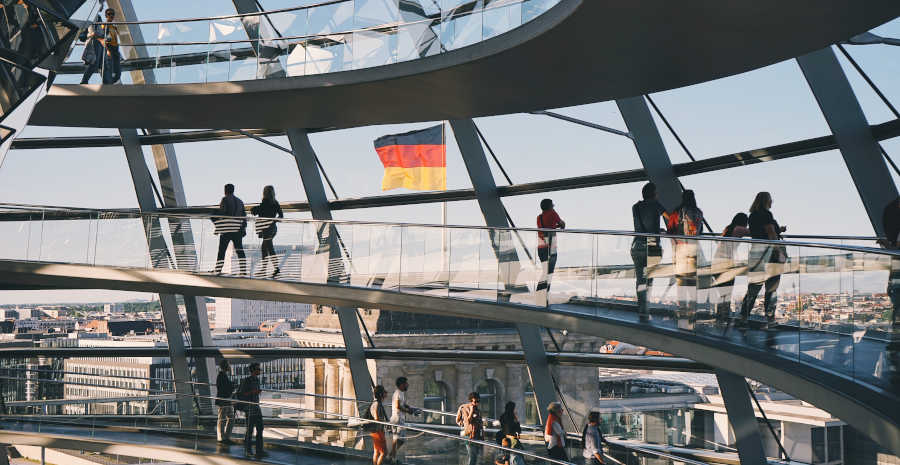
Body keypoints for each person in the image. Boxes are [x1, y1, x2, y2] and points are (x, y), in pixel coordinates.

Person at [739, 192, 787, 329]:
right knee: (771, 288)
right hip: (770, 253)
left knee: (753, 288)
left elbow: (760, 232)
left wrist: (779, 229)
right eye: (771, 199)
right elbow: (771, 233)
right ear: (766, 201)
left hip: (756, 252)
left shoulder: (752, 216)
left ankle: (743, 318)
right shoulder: (766, 214)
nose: (773, 201)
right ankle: (770, 320)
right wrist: (779, 252)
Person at [663, 190, 704, 330]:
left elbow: (670, 231)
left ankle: (682, 315)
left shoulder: (677, 212)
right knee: (692, 283)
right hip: (693, 250)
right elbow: (701, 232)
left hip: (680, 250)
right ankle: (692, 314)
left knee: (681, 283)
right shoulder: (698, 212)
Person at [631, 182, 665, 320]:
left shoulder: (635, 207)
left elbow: (643, 225)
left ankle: (642, 311)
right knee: (649, 281)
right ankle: (646, 312)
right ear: (654, 194)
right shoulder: (656, 204)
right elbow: (670, 217)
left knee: (640, 280)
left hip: (637, 245)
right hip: (652, 245)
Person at [711, 213, 750, 323]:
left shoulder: (728, 228)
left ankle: (720, 317)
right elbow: (755, 232)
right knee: (727, 293)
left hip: (716, 263)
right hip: (726, 265)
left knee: (723, 293)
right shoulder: (739, 229)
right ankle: (723, 318)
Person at [213, 184, 247, 275]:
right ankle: (243, 271)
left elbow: (222, 213)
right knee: (239, 250)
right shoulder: (240, 201)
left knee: (222, 250)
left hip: (227, 229)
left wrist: (214, 217)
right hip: (237, 229)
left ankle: (218, 269)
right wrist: (243, 228)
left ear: (225, 190)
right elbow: (244, 216)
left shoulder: (225, 199)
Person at [251, 185, 284, 279]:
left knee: (269, 248)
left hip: (266, 229)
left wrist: (254, 209)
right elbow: (281, 216)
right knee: (265, 248)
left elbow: (258, 211)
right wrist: (273, 220)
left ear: (264, 193)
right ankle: (265, 269)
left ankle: (276, 269)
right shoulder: (275, 202)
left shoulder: (265, 202)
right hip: (273, 228)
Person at [81, 7, 121, 84]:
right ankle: (84, 81)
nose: (111, 16)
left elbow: (103, 34)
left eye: (112, 14)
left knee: (103, 65)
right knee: (94, 63)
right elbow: (93, 32)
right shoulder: (94, 17)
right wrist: (103, 41)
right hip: (97, 42)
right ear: (106, 15)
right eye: (109, 14)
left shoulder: (100, 18)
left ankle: (107, 83)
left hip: (102, 43)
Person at [388, 376, 420, 463]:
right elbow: (398, 406)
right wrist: (409, 411)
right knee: (396, 439)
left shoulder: (401, 393)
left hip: (400, 419)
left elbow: (403, 404)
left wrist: (410, 408)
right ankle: (392, 458)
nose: (408, 385)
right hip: (397, 419)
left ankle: (391, 455)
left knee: (401, 440)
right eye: (406, 384)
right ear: (402, 385)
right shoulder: (397, 393)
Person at [537, 198, 566, 292]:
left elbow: (546, 227)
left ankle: (539, 294)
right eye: (552, 205)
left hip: (541, 248)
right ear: (550, 206)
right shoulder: (553, 213)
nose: (553, 206)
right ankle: (543, 296)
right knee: (549, 273)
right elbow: (562, 224)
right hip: (550, 248)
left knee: (545, 272)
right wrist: (554, 213)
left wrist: (554, 226)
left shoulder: (539, 217)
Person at [238, 362, 265, 458]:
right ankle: (248, 450)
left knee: (260, 428)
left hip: (256, 407)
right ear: (253, 370)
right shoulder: (247, 380)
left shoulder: (257, 380)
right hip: (249, 408)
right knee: (249, 430)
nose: (260, 371)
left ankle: (259, 449)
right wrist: (253, 392)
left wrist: (256, 392)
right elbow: (241, 394)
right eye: (258, 369)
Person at [456, 392, 484, 465]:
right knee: (472, 456)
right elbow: (466, 421)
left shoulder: (478, 410)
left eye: (477, 401)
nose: (475, 403)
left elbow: (480, 423)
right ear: (470, 400)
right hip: (469, 434)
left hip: (477, 434)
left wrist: (482, 434)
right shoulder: (465, 408)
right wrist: (471, 412)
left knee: (476, 456)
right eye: (474, 401)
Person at [215, 359, 235, 445]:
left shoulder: (223, 375)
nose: (230, 366)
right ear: (225, 366)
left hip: (226, 400)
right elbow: (225, 388)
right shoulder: (221, 376)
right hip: (224, 400)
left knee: (230, 419)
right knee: (223, 419)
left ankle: (225, 437)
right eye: (228, 365)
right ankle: (222, 438)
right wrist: (232, 385)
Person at [370, 385, 389, 465]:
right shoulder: (377, 404)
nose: (386, 393)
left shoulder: (375, 403)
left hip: (375, 430)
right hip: (378, 431)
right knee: (384, 452)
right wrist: (385, 422)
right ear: (381, 394)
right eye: (384, 392)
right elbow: (376, 418)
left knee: (377, 451)